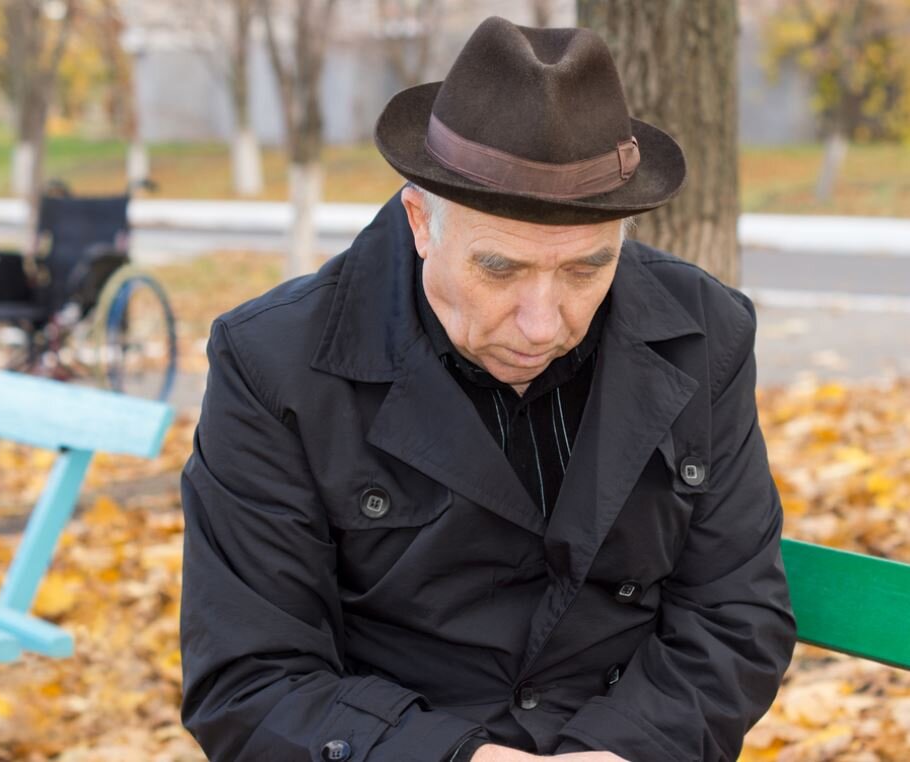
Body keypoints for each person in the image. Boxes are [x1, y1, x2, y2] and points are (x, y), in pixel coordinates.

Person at [180, 16, 796, 762]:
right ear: (421, 222)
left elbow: (735, 614)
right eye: (500, 269)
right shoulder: (273, 363)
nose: (543, 324)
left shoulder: (706, 334)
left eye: (587, 269)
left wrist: (624, 748)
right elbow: (251, 677)